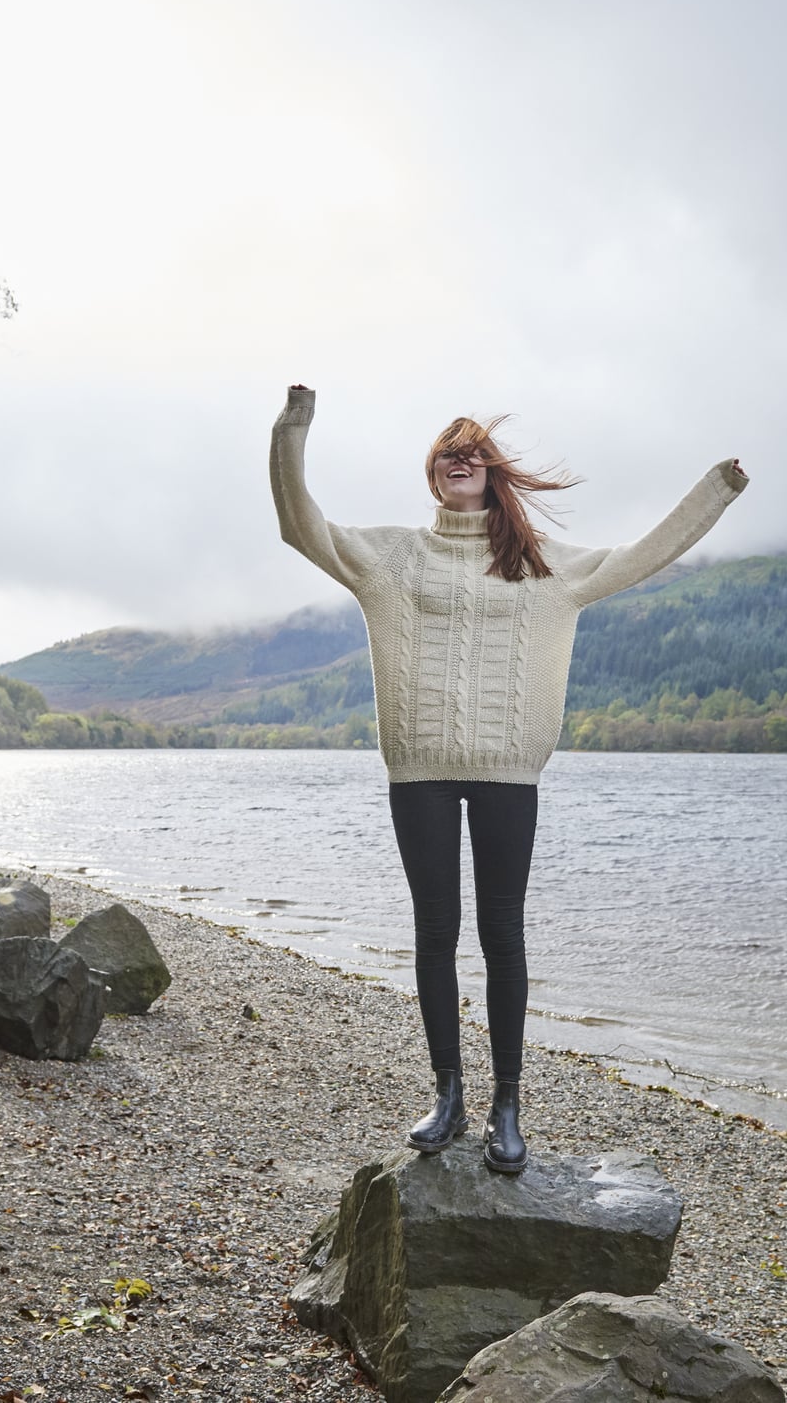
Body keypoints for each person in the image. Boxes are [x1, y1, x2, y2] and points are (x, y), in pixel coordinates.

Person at [269, 384, 748, 1172]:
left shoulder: (544, 565)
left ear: (493, 472)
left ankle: (507, 1105)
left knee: (502, 934)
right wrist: (294, 427)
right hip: (418, 769)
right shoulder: (392, 557)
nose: (459, 462)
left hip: (509, 774)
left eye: (473, 454)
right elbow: (300, 525)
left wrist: (716, 491)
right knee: (435, 932)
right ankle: (448, 1095)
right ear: (433, 474)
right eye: (446, 454)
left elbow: (643, 554)